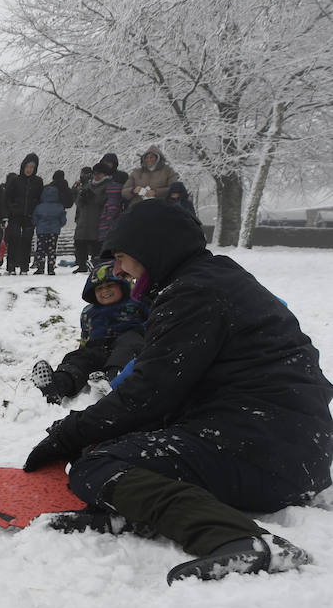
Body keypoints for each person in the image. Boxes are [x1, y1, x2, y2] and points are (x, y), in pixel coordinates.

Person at [23, 201, 333, 582]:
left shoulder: (194, 293)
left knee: (98, 465)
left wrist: (68, 434)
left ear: (152, 249)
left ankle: (239, 539)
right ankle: (139, 512)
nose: (117, 270)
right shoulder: (211, 280)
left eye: (121, 257)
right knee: (111, 448)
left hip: (268, 450)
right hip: (285, 444)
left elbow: (147, 394)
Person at [29, 261, 148, 404]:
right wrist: (82, 351)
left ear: (122, 286)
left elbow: (153, 322)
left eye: (110, 286)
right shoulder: (89, 312)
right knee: (79, 358)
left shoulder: (137, 303)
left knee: (128, 347)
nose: (105, 291)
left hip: (128, 342)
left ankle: (114, 380)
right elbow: (85, 336)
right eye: (100, 289)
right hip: (98, 347)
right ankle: (59, 384)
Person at [2, 153, 44, 275]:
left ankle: (24, 267)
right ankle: (11, 267)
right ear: (23, 166)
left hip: (30, 216)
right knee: (13, 239)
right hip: (15, 215)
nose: (29, 169)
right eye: (27, 166)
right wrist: (11, 209)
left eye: (32, 167)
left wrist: (36, 210)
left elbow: (40, 198)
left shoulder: (38, 181)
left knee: (27, 240)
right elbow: (7, 197)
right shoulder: (15, 180)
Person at [72, 164, 110, 272]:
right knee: (80, 242)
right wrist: (81, 196)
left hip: (97, 219)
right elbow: (78, 203)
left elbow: (103, 200)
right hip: (83, 219)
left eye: (99, 174)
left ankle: (96, 265)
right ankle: (81, 265)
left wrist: (92, 197)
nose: (97, 176)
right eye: (95, 174)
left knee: (96, 245)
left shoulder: (107, 185)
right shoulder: (88, 185)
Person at [30, 176, 69, 275]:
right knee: (52, 249)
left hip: (42, 231)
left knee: (41, 249)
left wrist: (37, 224)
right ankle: (51, 268)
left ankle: (40, 268)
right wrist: (59, 225)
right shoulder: (59, 207)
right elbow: (63, 220)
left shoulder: (39, 207)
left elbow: (34, 219)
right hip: (54, 231)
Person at [95, 153, 128, 247]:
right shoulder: (97, 175)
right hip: (99, 210)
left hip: (116, 209)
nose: (107, 165)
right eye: (105, 162)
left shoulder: (121, 176)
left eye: (109, 163)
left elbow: (127, 193)